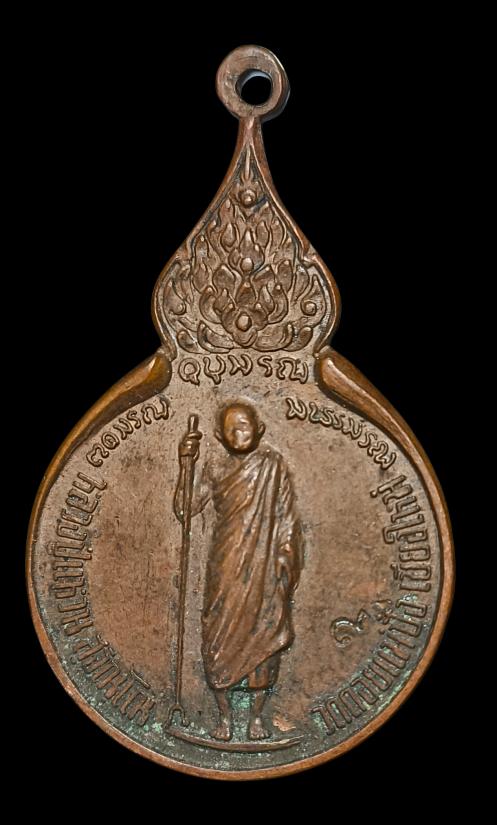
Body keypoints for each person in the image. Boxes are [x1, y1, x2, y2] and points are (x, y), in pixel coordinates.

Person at [174, 401, 304, 741]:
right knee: (217, 638)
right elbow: (186, 510)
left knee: (264, 634)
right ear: (219, 435)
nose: (238, 433)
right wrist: (185, 464)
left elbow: (288, 519)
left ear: (259, 429)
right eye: (230, 428)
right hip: (226, 566)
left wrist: (285, 563)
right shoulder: (215, 466)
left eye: (244, 425)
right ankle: (225, 719)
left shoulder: (273, 466)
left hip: (264, 567)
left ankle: (257, 719)